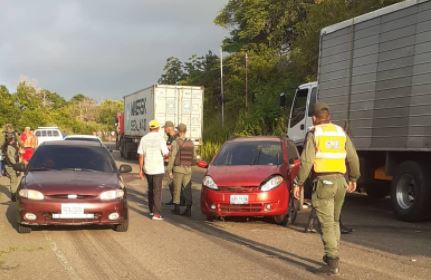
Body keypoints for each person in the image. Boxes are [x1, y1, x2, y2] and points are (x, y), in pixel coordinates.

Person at [293, 102, 360, 275]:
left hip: (324, 182)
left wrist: (298, 183)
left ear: (314, 118)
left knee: (327, 224)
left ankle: (332, 263)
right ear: (328, 117)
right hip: (340, 182)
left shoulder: (314, 133)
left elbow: (307, 161)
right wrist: (353, 178)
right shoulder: (340, 132)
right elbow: (353, 157)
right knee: (335, 221)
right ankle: (333, 254)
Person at [137, 120, 169, 221]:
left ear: (149, 128)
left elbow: (141, 155)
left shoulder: (144, 139)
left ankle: (151, 210)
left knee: (150, 189)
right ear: (158, 128)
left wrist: (140, 170)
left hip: (148, 168)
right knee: (157, 191)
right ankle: (157, 214)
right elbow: (166, 153)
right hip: (158, 169)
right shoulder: (161, 139)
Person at [167, 123, 196, 217]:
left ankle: (177, 209)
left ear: (179, 131)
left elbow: (172, 157)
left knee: (177, 189)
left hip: (178, 169)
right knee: (187, 189)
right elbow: (194, 158)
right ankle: (188, 209)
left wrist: (169, 170)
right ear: (185, 131)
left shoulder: (176, 142)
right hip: (188, 169)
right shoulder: (191, 142)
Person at [3, 134, 21, 201]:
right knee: (14, 180)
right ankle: (13, 196)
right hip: (11, 166)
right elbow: (11, 158)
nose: (15, 140)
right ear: (11, 140)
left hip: (9, 166)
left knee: (14, 180)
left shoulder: (7, 146)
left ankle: (14, 194)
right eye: (14, 139)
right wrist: (16, 166)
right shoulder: (9, 147)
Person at [163, 121, 177, 205]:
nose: (164, 130)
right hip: (168, 163)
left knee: (174, 183)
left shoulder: (175, 137)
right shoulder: (170, 137)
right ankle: (174, 199)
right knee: (170, 183)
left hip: (174, 164)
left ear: (169, 128)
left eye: (165, 128)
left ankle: (177, 201)